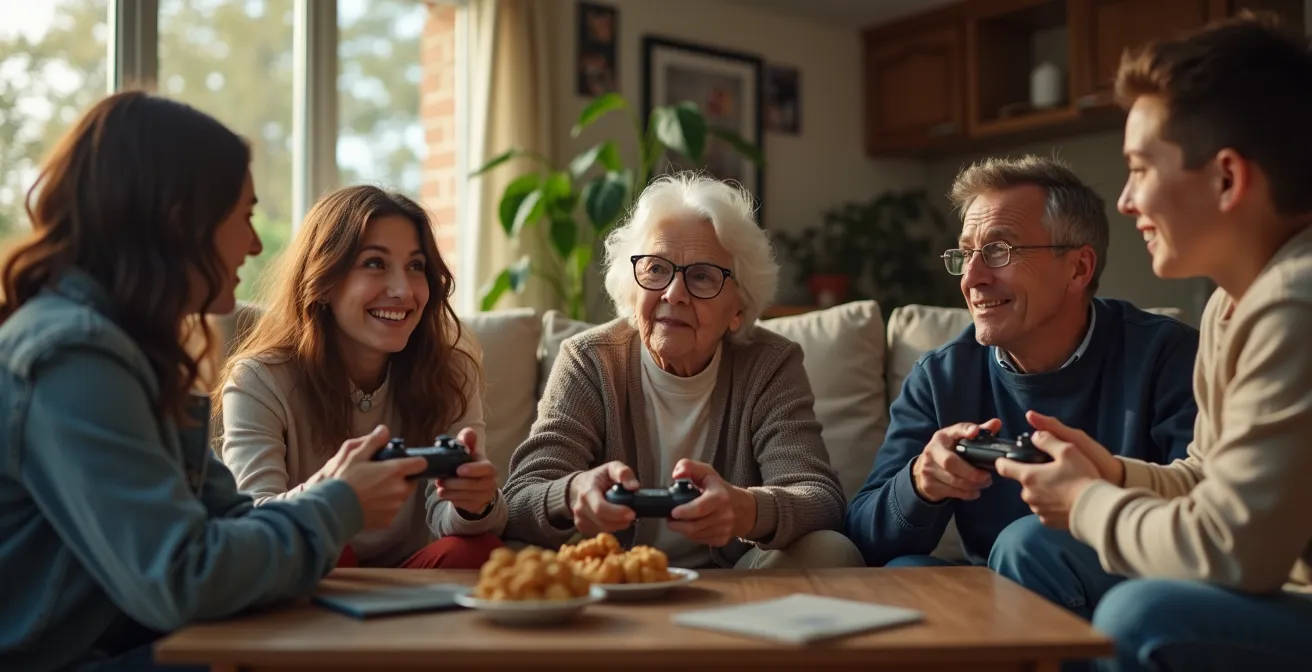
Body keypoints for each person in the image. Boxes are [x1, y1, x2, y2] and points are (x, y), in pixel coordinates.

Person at [0, 91, 429, 672]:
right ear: (181, 219)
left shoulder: (131, 352)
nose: (254, 244)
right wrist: (339, 504)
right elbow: (183, 575)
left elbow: (223, 521)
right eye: (245, 215)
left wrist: (327, 488)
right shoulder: (73, 356)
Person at [995, 14, 1312, 672]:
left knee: (1140, 616)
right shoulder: (1234, 302)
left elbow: (1233, 550)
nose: (1127, 201)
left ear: (1227, 178)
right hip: (1275, 582)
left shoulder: (1294, 304)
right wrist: (1108, 472)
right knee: (1032, 544)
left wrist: (1085, 502)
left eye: (1140, 169)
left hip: (1286, 587)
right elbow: (1207, 480)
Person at [843, 155, 1200, 589]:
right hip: (997, 588)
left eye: (998, 251)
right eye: (966, 253)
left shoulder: (1168, 356)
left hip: (1119, 588)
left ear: (1078, 268)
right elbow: (861, 538)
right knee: (906, 577)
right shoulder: (941, 376)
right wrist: (920, 483)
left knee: (1027, 542)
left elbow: (1198, 516)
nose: (972, 278)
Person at [501, 172, 862, 569]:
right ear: (632, 287)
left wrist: (746, 510)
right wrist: (572, 494)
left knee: (831, 550)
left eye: (703, 276)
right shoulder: (589, 361)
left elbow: (819, 497)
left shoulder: (770, 364)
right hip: (611, 578)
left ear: (738, 309)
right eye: (656, 269)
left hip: (733, 586)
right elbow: (519, 498)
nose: (674, 293)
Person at [217, 185, 506, 570]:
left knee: (477, 549)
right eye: (375, 263)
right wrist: (337, 495)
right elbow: (251, 522)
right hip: (314, 572)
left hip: (414, 577)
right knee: (333, 550)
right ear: (323, 280)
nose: (403, 290)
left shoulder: (452, 371)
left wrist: (474, 503)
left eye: (416, 266)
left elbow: (454, 520)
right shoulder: (259, 378)